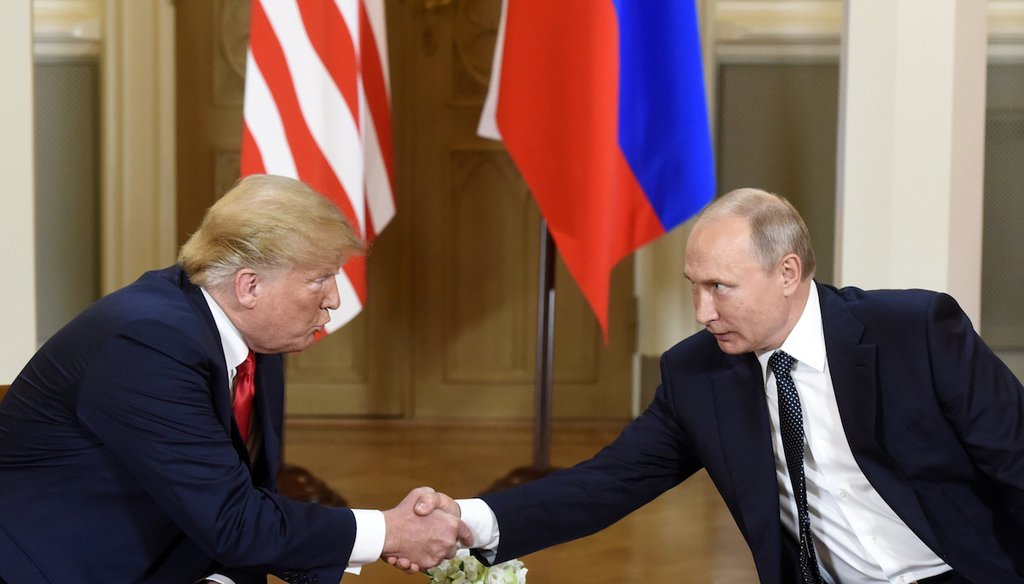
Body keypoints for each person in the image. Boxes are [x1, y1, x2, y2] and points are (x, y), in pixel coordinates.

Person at [409, 187, 1024, 583]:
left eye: (720, 288)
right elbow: (608, 483)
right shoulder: (697, 373)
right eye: (692, 286)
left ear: (788, 273)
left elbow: (1016, 464)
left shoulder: (912, 331)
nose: (701, 312)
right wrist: (468, 519)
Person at [0, 174, 469, 584]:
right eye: (319, 279)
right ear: (249, 286)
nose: (334, 300)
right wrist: (390, 531)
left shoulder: (255, 339)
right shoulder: (145, 342)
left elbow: (243, 500)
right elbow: (233, 519)